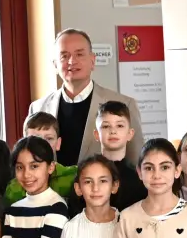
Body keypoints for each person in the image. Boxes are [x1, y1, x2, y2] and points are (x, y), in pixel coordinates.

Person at [26, 28, 143, 166]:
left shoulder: (124, 104)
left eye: (79, 54)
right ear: (55, 65)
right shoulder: (38, 107)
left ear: (92, 61)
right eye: (64, 56)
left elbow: (137, 162)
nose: (71, 61)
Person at [6, 112, 77, 204]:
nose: (43, 145)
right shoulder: (14, 188)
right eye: (34, 138)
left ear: (58, 143)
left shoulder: (73, 176)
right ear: (24, 143)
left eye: (49, 138)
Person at [92, 100, 144, 211]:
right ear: (96, 134)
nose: (113, 131)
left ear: (130, 134)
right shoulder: (87, 173)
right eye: (106, 126)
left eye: (119, 125)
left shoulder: (139, 177)